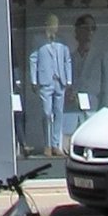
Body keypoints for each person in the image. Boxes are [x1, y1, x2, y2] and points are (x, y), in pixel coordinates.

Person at [29, 15, 73, 153]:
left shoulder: (62, 42)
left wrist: (69, 80)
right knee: (47, 113)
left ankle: (55, 144)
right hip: (45, 81)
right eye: (53, 23)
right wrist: (34, 80)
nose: (55, 26)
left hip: (59, 81)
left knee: (58, 113)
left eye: (57, 24)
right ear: (47, 24)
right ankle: (47, 144)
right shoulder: (38, 40)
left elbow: (67, 60)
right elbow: (33, 59)